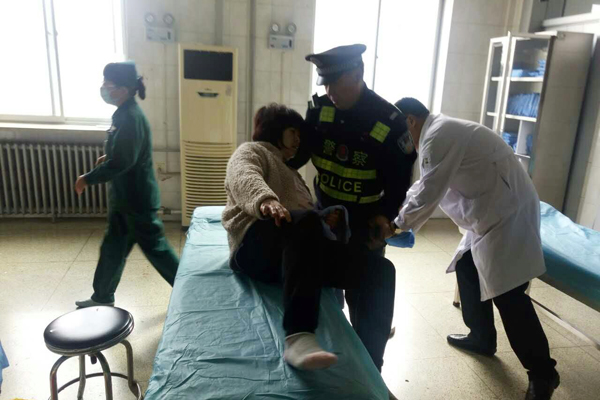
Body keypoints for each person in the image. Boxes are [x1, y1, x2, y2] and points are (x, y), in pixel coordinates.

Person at [392, 97, 559, 400]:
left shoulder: (437, 135)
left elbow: (429, 191)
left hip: (507, 214)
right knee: (467, 266)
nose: (402, 141)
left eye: (400, 132)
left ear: (410, 121)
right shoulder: (436, 134)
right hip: (489, 213)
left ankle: (543, 373)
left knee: (509, 295)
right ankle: (481, 337)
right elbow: (424, 184)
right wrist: (400, 210)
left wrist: (395, 226)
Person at [222, 103, 395, 374]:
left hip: (295, 255)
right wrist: (266, 201)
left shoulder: (292, 173)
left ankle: (372, 367)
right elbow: (243, 176)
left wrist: (324, 219)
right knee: (305, 221)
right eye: (293, 132)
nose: (298, 140)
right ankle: (298, 335)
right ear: (276, 130)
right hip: (253, 246)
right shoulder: (252, 151)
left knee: (381, 270)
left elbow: (306, 220)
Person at [287, 44, 416, 372]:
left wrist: (386, 215)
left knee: (366, 292)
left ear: (358, 74)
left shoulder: (388, 120)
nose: (329, 92)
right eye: (325, 84)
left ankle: (369, 369)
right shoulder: (320, 111)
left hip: (365, 222)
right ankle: (327, 346)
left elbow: (400, 179)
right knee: (324, 286)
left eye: (336, 83)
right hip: (326, 215)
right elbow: (298, 155)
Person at [75, 62, 179, 308]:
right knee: (112, 249)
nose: (104, 88)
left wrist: (88, 178)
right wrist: (108, 156)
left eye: (108, 84)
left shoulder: (130, 117)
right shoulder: (123, 113)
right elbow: (124, 150)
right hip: (125, 200)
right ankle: (102, 296)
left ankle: (194, 293)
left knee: (158, 252)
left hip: (136, 202)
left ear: (123, 89)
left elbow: (123, 160)